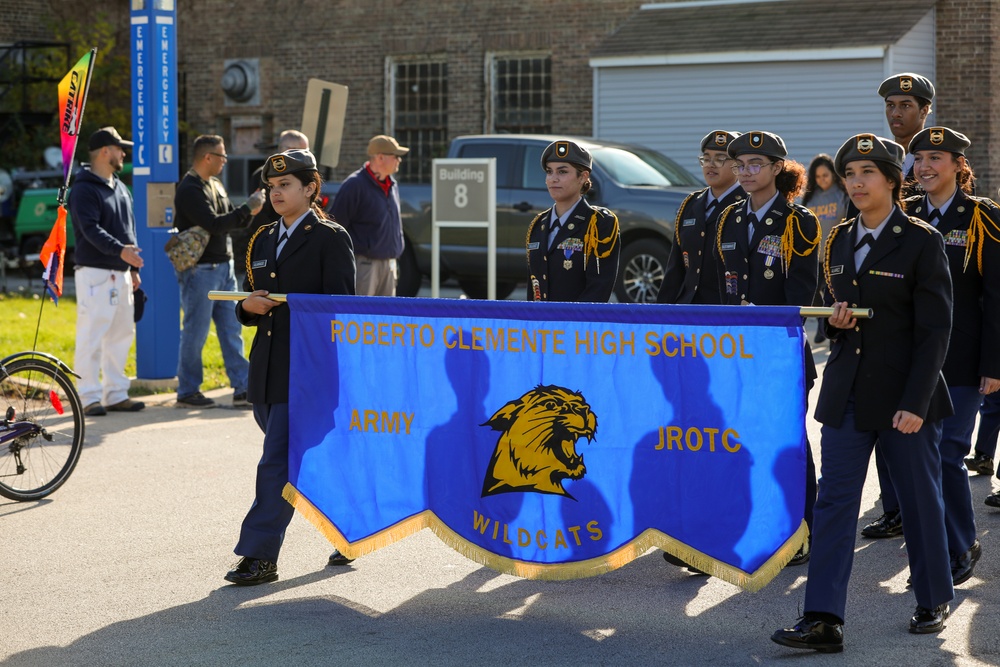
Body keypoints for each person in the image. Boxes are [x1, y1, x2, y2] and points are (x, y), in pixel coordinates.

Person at [772, 134, 954, 653]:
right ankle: (823, 618)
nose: (854, 181)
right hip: (848, 396)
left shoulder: (920, 240)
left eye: (867, 173)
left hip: (905, 399)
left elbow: (934, 330)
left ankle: (932, 596)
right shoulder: (839, 238)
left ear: (894, 181)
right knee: (834, 504)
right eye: (850, 172)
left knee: (920, 500)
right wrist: (836, 321)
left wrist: (916, 404)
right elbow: (836, 319)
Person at [225, 149, 356, 585]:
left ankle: (260, 555)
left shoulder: (329, 238)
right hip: (266, 367)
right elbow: (248, 303)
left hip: (307, 369)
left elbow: (340, 311)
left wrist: (294, 307)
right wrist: (248, 306)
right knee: (307, 459)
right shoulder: (261, 238)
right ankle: (349, 527)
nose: (276, 192)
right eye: (271, 186)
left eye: (285, 185)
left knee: (277, 460)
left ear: (310, 188)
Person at [715, 131, 819, 566]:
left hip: (778, 353)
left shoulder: (799, 222)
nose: (746, 172)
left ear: (779, 168)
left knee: (788, 446)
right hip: (737, 354)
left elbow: (802, 293)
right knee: (740, 443)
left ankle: (803, 531)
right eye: (740, 165)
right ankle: (750, 525)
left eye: (756, 164)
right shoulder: (729, 219)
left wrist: (761, 317)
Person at [903, 126, 999, 577]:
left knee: (948, 451)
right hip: (913, 358)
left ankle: (961, 545)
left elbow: (996, 296)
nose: (923, 166)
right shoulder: (903, 216)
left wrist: (994, 363)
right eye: (918, 158)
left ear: (959, 166)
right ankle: (936, 546)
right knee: (920, 457)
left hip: (963, 357)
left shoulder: (982, 218)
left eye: (935, 158)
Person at [860, 72, 937, 540]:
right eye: (891, 105)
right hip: (880, 310)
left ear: (925, 110)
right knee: (879, 414)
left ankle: (925, 515)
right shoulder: (879, 161)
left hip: (923, 305)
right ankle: (893, 508)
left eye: (906, 105)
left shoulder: (936, 157)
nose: (896, 113)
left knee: (917, 426)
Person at [173, 135, 265, 409]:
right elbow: (214, 224)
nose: (226, 161)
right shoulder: (189, 189)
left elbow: (227, 222)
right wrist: (247, 208)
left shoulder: (214, 184)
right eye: (221, 156)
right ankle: (188, 390)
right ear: (207, 157)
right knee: (195, 332)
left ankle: (242, 387)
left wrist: (247, 211)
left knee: (232, 329)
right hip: (201, 271)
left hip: (223, 267)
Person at [68, 126, 146, 417]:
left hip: (121, 272)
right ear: (105, 152)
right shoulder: (84, 188)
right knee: (92, 335)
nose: (123, 153)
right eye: (119, 148)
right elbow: (90, 230)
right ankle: (87, 396)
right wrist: (121, 251)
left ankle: (115, 393)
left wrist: (131, 266)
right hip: (95, 273)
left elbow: (129, 228)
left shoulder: (119, 186)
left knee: (121, 334)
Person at [525, 140, 620, 302]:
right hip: (542, 325)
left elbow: (599, 287)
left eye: (562, 172)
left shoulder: (598, 223)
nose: (553, 179)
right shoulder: (538, 224)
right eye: (549, 171)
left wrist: (570, 323)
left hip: (577, 324)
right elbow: (534, 288)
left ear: (583, 177)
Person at [657, 130, 745, 305]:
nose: (711, 165)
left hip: (725, 309)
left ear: (737, 165)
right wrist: (661, 312)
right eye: (706, 158)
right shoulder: (691, 204)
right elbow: (676, 267)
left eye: (720, 159)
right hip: (687, 308)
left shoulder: (747, 205)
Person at [329, 135, 407, 296]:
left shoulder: (392, 185)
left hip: (389, 265)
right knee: (361, 316)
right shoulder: (354, 185)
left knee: (385, 317)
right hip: (365, 265)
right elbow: (335, 227)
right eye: (396, 156)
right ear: (380, 158)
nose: (399, 160)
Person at [801, 154, 849, 343]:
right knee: (812, 295)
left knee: (834, 296)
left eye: (825, 175)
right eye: (818, 176)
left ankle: (829, 332)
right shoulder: (811, 197)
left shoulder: (843, 194)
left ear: (833, 174)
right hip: (815, 256)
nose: (822, 180)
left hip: (836, 256)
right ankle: (823, 321)